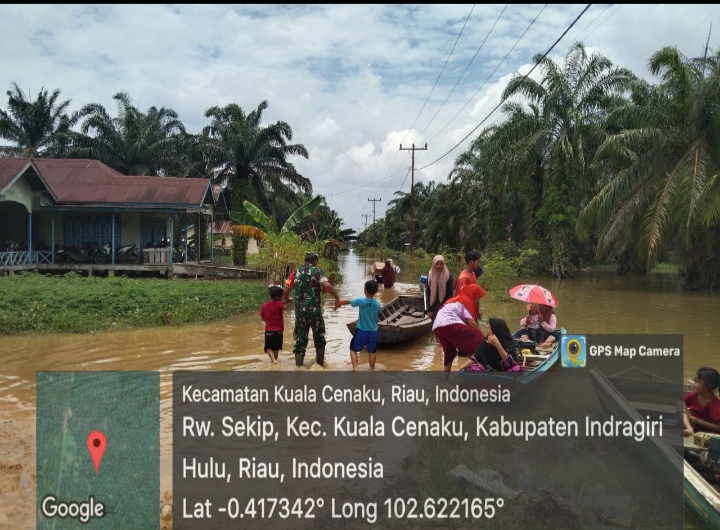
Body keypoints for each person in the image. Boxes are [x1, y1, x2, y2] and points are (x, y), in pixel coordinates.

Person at [283, 251, 342, 367]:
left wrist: (288, 299)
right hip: (315, 312)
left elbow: (286, 289)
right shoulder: (317, 271)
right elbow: (327, 286)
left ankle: (298, 368)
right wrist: (337, 298)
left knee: (300, 341)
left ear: (305, 260)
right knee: (319, 338)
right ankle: (320, 365)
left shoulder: (295, 272)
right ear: (315, 261)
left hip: (300, 312)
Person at [432, 284, 486, 374]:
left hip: (438, 325)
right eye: (478, 297)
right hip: (449, 323)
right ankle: (477, 370)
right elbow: (472, 323)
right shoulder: (467, 301)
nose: (478, 300)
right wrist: (483, 338)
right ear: (474, 294)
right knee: (477, 337)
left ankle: (445, 378)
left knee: (450, 353)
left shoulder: (458, 299)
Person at [337, 280, 382, 371]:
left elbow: (349, 301)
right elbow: (379, 313)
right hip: (373, 331)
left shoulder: (361, 301)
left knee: (353, 349)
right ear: (376, 292)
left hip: (362, 330)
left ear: (364, 290)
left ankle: (355, 368)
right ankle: (372, 370)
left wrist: (339, 302)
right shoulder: (377, 304)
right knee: (372, 351)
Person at [459, 318, 523, 373]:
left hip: (505, 372)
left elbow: (510, 363)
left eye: (490, 329)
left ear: (496, 331)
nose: (488, 331)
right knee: (470, 369)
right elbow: (475, 357)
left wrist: (497, 345)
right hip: (489, 370)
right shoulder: (487, 340)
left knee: (517, 370)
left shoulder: (510, 344)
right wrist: (460, 368)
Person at [683, 367, 720, 436]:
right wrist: (690, 417)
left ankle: (690, 429)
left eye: (696, 382)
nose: (694, 384)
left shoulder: (715, 404)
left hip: (704, 431)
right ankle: (689, 429)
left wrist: (698, 421)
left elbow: (718, 427)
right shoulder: (694, 395)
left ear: (707, 386)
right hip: (692, 424)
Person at [259, 285, 290, 365]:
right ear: (278, 297)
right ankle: (275, 360)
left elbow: (262, 317)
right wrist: (289, 301)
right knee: (276, 348)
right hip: (279, 331)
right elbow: (285, 307)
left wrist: (267, 321)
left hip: (269, 330)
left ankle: (273, 360)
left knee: (268, 348)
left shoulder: (265, 305)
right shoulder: (279, 303)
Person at [425, 255, 454, 320]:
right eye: (437, 264)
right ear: (433, 264)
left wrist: (447, 307)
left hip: (444, 305)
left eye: (441, 264)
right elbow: (428, 293)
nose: (439, 266)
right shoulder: (430, 275)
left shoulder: (448, 275)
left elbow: (450, 293)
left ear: (444, 264)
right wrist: (429, 309)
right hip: (433, 306)